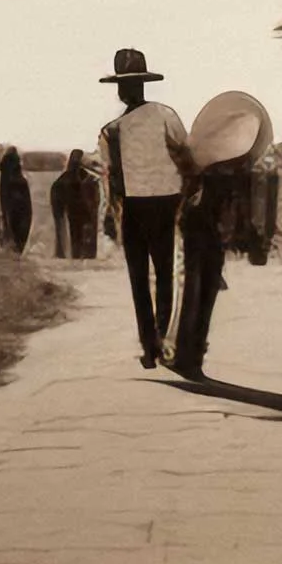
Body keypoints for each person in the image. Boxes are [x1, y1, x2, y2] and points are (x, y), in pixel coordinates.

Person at [167, 90, 277, 380]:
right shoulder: (204, 169)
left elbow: (238, 207)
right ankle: (187, 355)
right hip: (201, 231)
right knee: (197, 289)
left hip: (211, 234)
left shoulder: (227, 170)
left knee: (203, 290)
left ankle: (191, 355)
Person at [96, 46, 191, 367]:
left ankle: (149, 346)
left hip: (133, 207)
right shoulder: (166, 115)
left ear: (122, 90)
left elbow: (110, 177)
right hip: (166, 203)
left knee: (138, 277)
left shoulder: (111, 131)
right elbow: (185, 151)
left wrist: (109, 213)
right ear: (143, 85)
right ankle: (165, 338)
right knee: (164, 272)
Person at [49, 145, 101, 259]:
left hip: (74, 212)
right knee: (81, 238)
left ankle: (69, 254)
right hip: (80, 212)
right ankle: (79, 255)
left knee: (74, 237)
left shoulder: (63, 179)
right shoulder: (88, 178)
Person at [0, 144, 32, 256]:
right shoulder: (20, 182)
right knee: (16, 245)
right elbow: (26, 208)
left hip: (10, 212)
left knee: (9, 244)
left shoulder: (5, 181)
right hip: (18, 212)